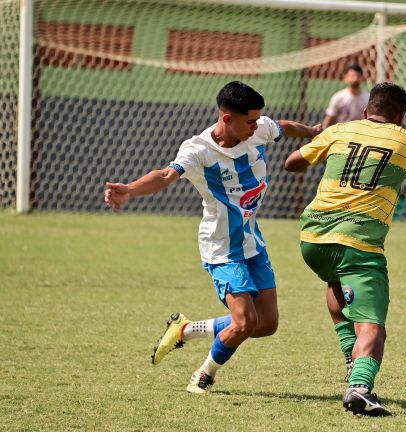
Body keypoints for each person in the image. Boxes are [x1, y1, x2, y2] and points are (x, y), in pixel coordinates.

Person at [103, 81, 320, 394]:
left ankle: (186, 330)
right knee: (244, 322)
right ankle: (204, 375)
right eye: (250, 121)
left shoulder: (257, 129)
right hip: (222, 248)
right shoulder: (198, 151)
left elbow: (283, 126)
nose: (257, 126)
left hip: (251, 241)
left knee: (266, 324)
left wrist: (313, 132)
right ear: (226, 118)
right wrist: (130, 190)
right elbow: (165, 176)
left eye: (258, 119)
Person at [284, 82, 406, 416]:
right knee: (373, 327)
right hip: (358, 244)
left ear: (366, 110)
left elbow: (292, 163)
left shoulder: (339, 130)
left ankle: (349, 356)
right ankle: (359, 389)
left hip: (312, 238)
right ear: (400, 116)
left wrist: (322, 148)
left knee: (335, 282)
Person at [321, 63, 370, 129]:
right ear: (345, 78)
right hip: (342, 134)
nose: (355, 79)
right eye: (352, 76)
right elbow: (329, 118)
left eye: (358, 76)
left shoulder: (368, 98)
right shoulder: (338, 97)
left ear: (362, 77)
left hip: (360, 134)